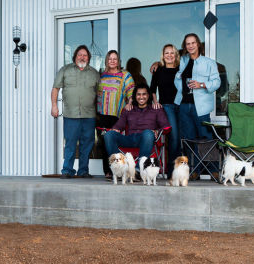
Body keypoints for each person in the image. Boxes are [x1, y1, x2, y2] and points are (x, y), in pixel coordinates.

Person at [51, 45, 100, 179]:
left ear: (88, 58)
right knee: (70, 143)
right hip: (71, 115)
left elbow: (100, 93)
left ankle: (83, 171)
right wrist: (54, 106)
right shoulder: (65, 70)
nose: (82, 57)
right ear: (75, 57)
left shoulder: (94, 73)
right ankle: (67, 170)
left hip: (89, 115)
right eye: (80, 55)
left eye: (85, 55)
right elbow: (55, 88)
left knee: (87, 144)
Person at [174, 33, 221, 170]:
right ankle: (195, 169)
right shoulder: (182, 60)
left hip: (201, 106)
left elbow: (217, 82)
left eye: (193, 43)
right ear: (185, 46)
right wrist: (157, 63)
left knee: (206, 138)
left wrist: (201, 84)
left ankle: (214, 169)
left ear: (198, 44)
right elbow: (168, 62)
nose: (190, 46)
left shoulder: (209, 62)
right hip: (184, 105)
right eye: (188, 44)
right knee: (189, 139)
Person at [103, 83, 170, 174]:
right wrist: (115, 129)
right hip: (129, 139)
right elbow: (119, 125)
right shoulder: (128, 109)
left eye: (144, 94)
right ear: (135, 96)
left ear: (148, 96)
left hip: (146, 139)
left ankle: (138, 170)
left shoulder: (156, 109)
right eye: (138, 94)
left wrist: (157, 131)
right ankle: (119, 169)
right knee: (109, 135)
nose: (141, 97)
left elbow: (166, 126)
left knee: (148, 133)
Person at [96, 50, 135, 177]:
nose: (112, 61)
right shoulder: (102, 76)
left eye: (115, 59)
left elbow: (131, 92)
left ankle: (118, 170)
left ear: (118, 61)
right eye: (110, 58)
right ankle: (108, 171)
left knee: (112, 143)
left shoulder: (125, 75)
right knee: (103, 143)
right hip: (101, 115)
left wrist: (129, 103)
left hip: (117, 116)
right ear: (106, 61)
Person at [148, 44, 180, 174]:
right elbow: (152, 89)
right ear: (163, 55)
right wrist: (155, 102)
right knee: (174, 137)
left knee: (182, 137)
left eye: (172, 53)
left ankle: (182, 169)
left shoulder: (180, 69)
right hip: (166, 106)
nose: (169, 55)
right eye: (167, 53)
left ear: (176, 55)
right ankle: (172, 170)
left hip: (181, 106)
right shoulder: (159, 70)